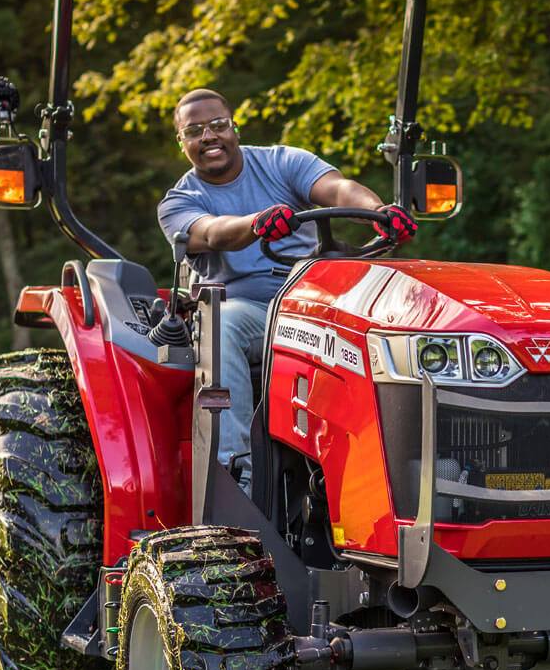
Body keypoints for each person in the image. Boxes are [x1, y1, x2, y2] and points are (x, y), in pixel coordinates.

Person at [158, 88, 419, 491]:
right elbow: (212, 233)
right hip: (252, 312)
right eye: (194, 131)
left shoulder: (282, 162)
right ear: (182, 143)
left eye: (217, 125)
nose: (208, 136)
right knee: (222, 324)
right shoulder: (179, 201)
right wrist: (255, 223)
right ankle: (237, 477)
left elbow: (338, 190)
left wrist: (377, 212)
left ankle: (409, 472)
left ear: (234, 128)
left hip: (318, 301)